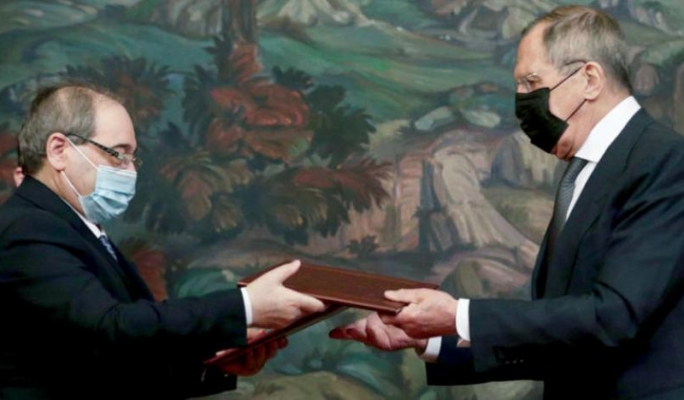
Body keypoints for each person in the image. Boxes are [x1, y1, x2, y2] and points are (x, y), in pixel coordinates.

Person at [331, 5, 684, 399]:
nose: (521, 101)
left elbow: (613, 318)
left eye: (532, 83)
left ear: (589, 79)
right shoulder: (582, 171)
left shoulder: (667, 163)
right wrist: (430, 338)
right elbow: (562, 336)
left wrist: (459, 315)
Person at [0, 82, 326, 399]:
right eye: (118, 154)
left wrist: (217, 365)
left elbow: (110, 360)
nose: (130, 171)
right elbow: (109, 327)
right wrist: (245, 306)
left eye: (133, 157)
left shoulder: (69, 225)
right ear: (59, 151)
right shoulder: (29, 227)